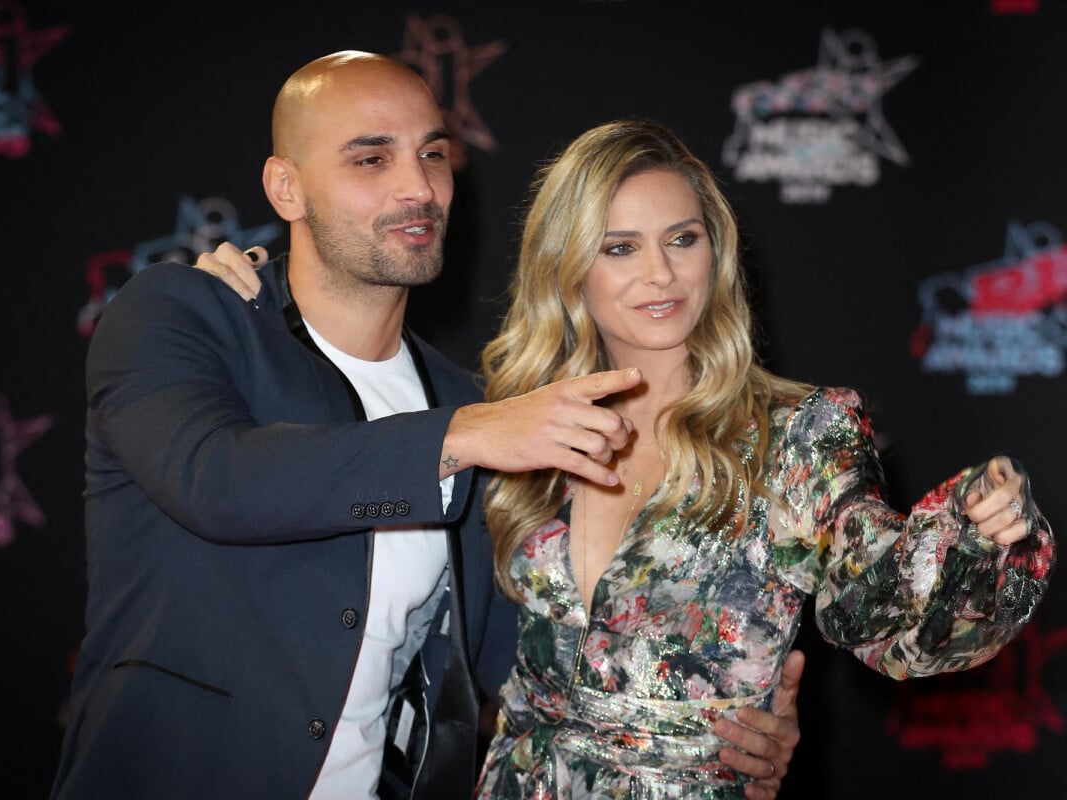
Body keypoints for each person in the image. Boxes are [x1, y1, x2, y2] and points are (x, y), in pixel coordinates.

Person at [52, 52, 800, 800]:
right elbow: (215, 480)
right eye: (371, 158)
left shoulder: (464, 400)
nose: (418, 187)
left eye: (433, 154)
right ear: (286, 187)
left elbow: (532, 667)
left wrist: (719, 729)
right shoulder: (184, 318)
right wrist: (463, 439)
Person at [469, 118, 1056, 799]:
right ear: (567, 265)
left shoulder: (798, 435)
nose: (661, 274)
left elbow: (879, 609)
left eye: (682, 239)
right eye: (620, 248)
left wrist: (974, 538)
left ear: (714, 250)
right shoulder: (528, 423)